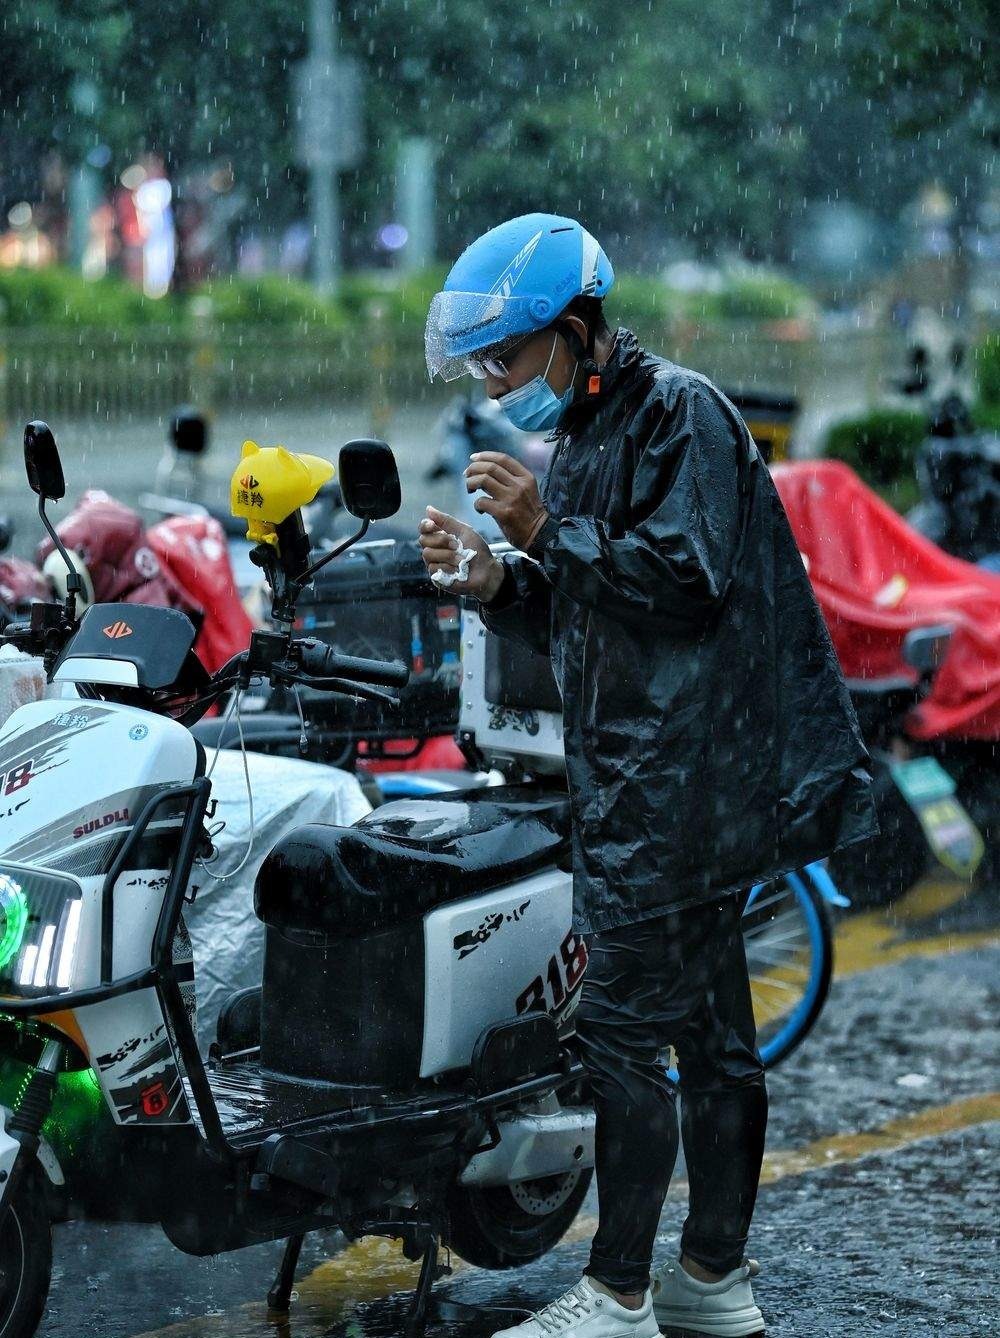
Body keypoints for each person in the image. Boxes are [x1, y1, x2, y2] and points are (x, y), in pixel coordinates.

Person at [419, 213, 876, 1338]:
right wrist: (499, 581)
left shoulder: (678, 413)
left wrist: (539, 528)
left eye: (508, 357)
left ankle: (616, 1291)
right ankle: (712, 1279)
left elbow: (682, 582)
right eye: (482, 364)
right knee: (715, 1040)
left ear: (576, 330)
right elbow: (605, 605)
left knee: (621, 1033)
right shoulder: (590, 428)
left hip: (678, 787)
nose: (494, 383)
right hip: (653, 783)